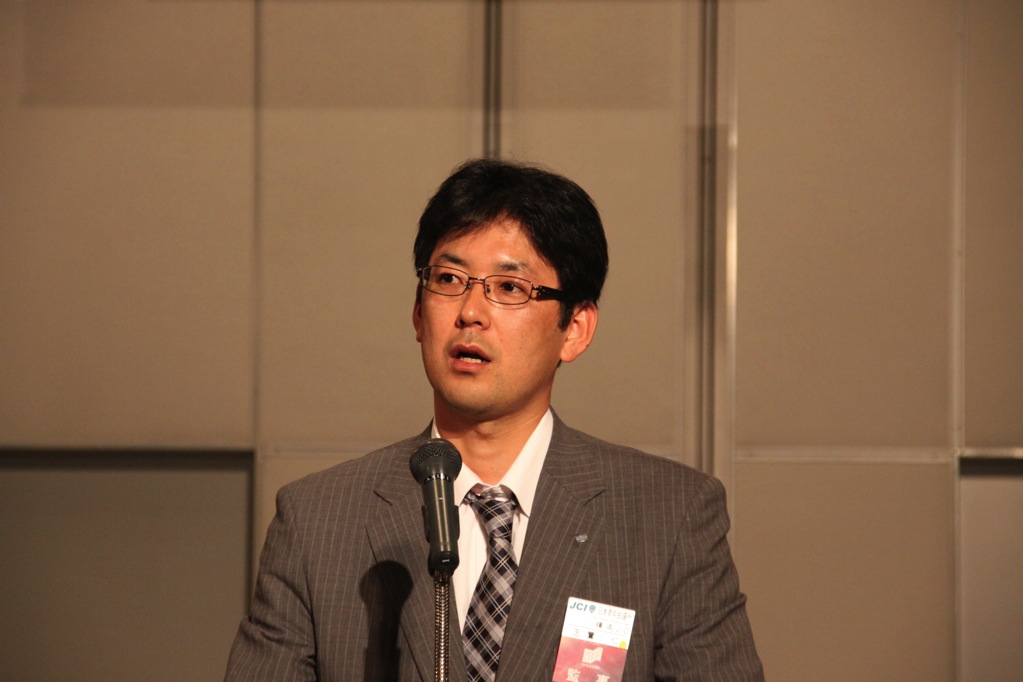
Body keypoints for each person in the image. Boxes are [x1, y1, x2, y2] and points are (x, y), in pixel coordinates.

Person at [225, 158, 764, 681]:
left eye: (509, 288)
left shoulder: (668, 518)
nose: (470, 312)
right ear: (418, 313)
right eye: (449, 278)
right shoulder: (317, 523)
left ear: (575, 328)